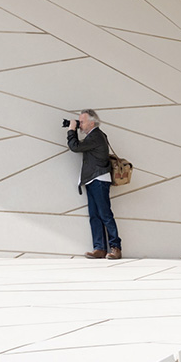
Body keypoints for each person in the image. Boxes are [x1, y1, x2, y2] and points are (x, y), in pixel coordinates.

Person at [66, 109, 121, 259]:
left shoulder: (96, 136)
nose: (79, 125)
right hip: (92, 179)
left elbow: (75, 147)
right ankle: (100, 248)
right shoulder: (94, 136)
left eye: (81, 122)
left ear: (92, 122)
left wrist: (71, 130)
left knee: (105, 214)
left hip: (99, 180)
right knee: (95, 215)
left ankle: (115, 247)